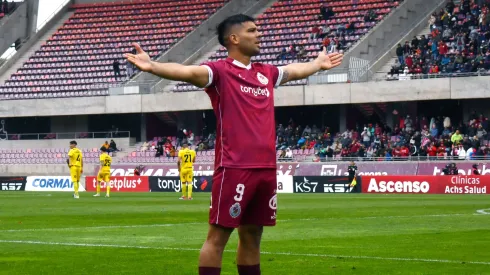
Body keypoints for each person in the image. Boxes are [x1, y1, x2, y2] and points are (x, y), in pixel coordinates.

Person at [125, 14, 343, 275]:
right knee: (218, 237)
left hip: (265, 167)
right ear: (234, 39)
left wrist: (317, 64)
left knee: (253, 235)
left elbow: (293, 71)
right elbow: (187, 72)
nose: (259, 34)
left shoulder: (266, 73)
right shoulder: (219, 72)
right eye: (252, 30)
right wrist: (154, 66)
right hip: (234, 166)